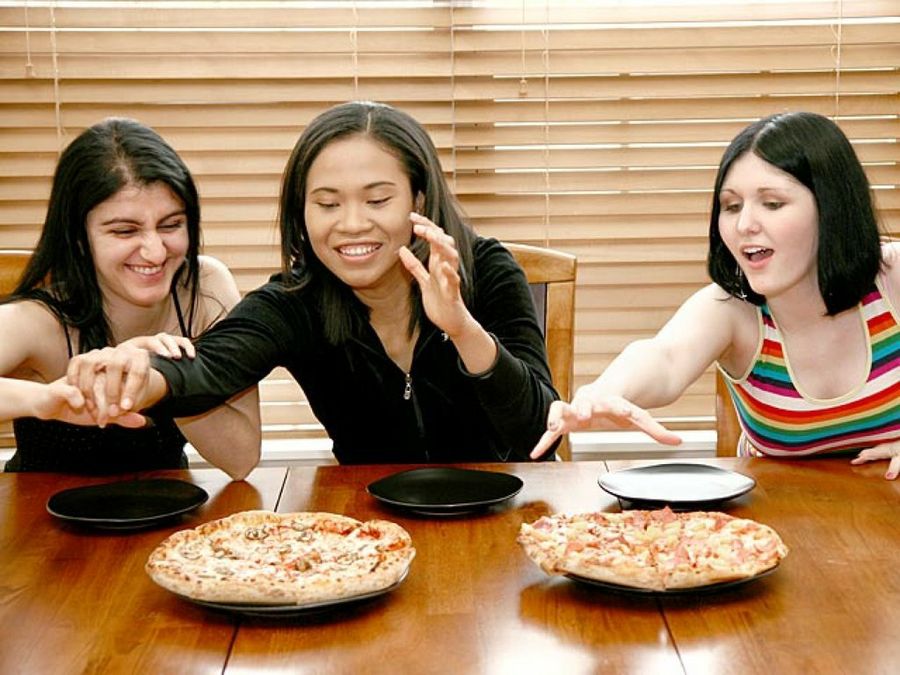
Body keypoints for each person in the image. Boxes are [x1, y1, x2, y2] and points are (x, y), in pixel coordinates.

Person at [65, 101, 558, 463]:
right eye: (327, 204)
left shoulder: (486, 268)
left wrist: (462, 328)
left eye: (377, 200)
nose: (351, 224)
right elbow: (209, 369)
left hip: (508, 519)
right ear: (302, 212)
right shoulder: (296, 301)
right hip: (368, 530)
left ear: (420, 201)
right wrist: (135, 374)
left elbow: (539, 430)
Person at [532, 111, 900, 480]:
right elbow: (663, 357)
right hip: (774, 521)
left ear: (831, 206)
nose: (744, 225)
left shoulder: (892, 276)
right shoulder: (730, 309)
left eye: (772, 204)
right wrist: (603, 392)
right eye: (732, 206)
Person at [1, 118, 261, 478]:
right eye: (125, 230)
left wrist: (165, 375)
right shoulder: (40, 317)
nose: (155, 252)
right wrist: (46, 400)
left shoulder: (206, 288)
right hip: (41, 524)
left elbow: (241, 458)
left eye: (171, 225)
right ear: (79, 236)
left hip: (172, 522)